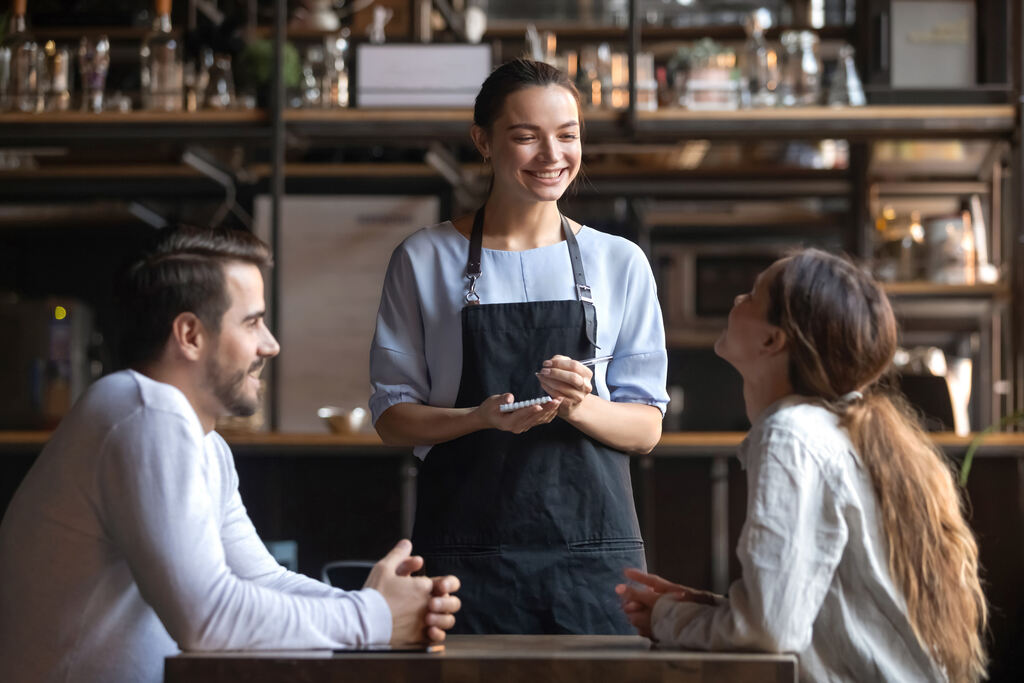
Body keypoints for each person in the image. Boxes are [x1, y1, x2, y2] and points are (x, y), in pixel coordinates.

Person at [0, 227, 461, 683]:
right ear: (190, 335)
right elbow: (207, 616)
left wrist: (386, 607)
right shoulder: (144, 411)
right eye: (251, 322)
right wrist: (374, 618)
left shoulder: (201, 441)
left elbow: (263, 578)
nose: (270, 344)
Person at [370, 58, 669, 634]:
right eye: (526, 137)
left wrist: (582, 406)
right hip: (464, 555)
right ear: (483, 141)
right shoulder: (424, 258)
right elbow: (392, 417)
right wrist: (478, 419)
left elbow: (647, 426)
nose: (552, 156)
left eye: (568, 136)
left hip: (593, 556)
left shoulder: (620, 262)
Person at [616, 249, 988, 682]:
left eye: (753, 296)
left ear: (773, 341)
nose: (738, 299)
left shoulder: (790, 436)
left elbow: (768, 633)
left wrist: (667, 619)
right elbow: (814, 616)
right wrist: (709, 607)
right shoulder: (829, 429)